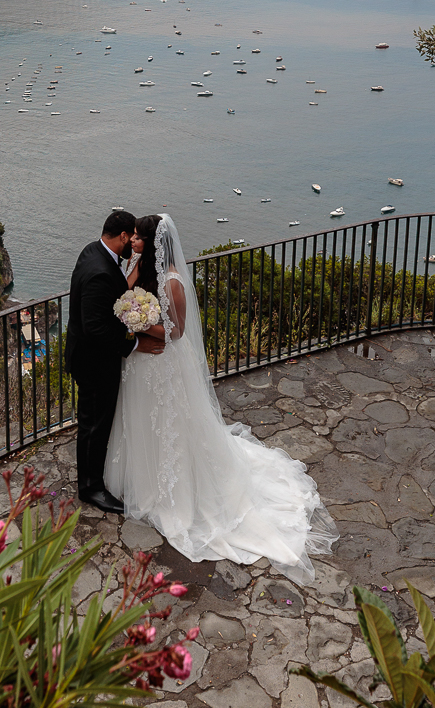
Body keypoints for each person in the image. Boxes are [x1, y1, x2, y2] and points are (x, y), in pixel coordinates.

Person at [104, 213, 338, 581]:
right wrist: (130, 315)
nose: (131, 241)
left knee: (172, 426)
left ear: (150, 242)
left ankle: (177, 494)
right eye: (131, 237)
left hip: (162, 362)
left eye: (137, 237)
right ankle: (145, 480)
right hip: (141, 363)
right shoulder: (139, 266)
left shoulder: (173, 282)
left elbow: (177, 333)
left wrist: (139, 325)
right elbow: (125, 294)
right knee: (142, 422)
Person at [65, 209, 164, 513]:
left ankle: (93, 480)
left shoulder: (93, 251)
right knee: (94, 425)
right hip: (95, 363)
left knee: (93, 423)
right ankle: (91, 489)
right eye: (130, 236)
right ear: (122, 236)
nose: (132, 242)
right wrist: (134, 343)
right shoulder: (100, 272)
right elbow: (95, 328)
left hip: (89, 356)